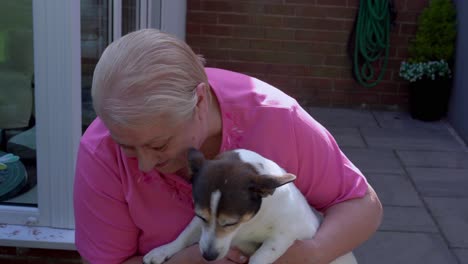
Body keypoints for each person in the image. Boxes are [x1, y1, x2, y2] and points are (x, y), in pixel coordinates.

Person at [73, 28, 383, 264]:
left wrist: (310, 253)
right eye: (126, 147)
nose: (143, 165)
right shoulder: (99, 153)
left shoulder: (274, 118)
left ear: (200, 101)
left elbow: (360, 204)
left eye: (159, 144)